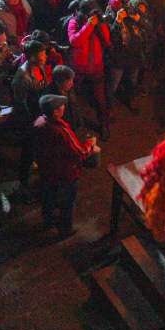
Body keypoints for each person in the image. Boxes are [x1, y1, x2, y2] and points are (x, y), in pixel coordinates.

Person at [32, 94, 97, 234]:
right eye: (61, 106)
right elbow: (80, 153)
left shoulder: (39, 122)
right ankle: (65, 228)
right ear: (56, 112)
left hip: (47, 171)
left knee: (48, 197)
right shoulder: (61, 131)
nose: (64, 107)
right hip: (66, 173)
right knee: (67, 203)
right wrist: (91, 144)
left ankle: (48, 221)